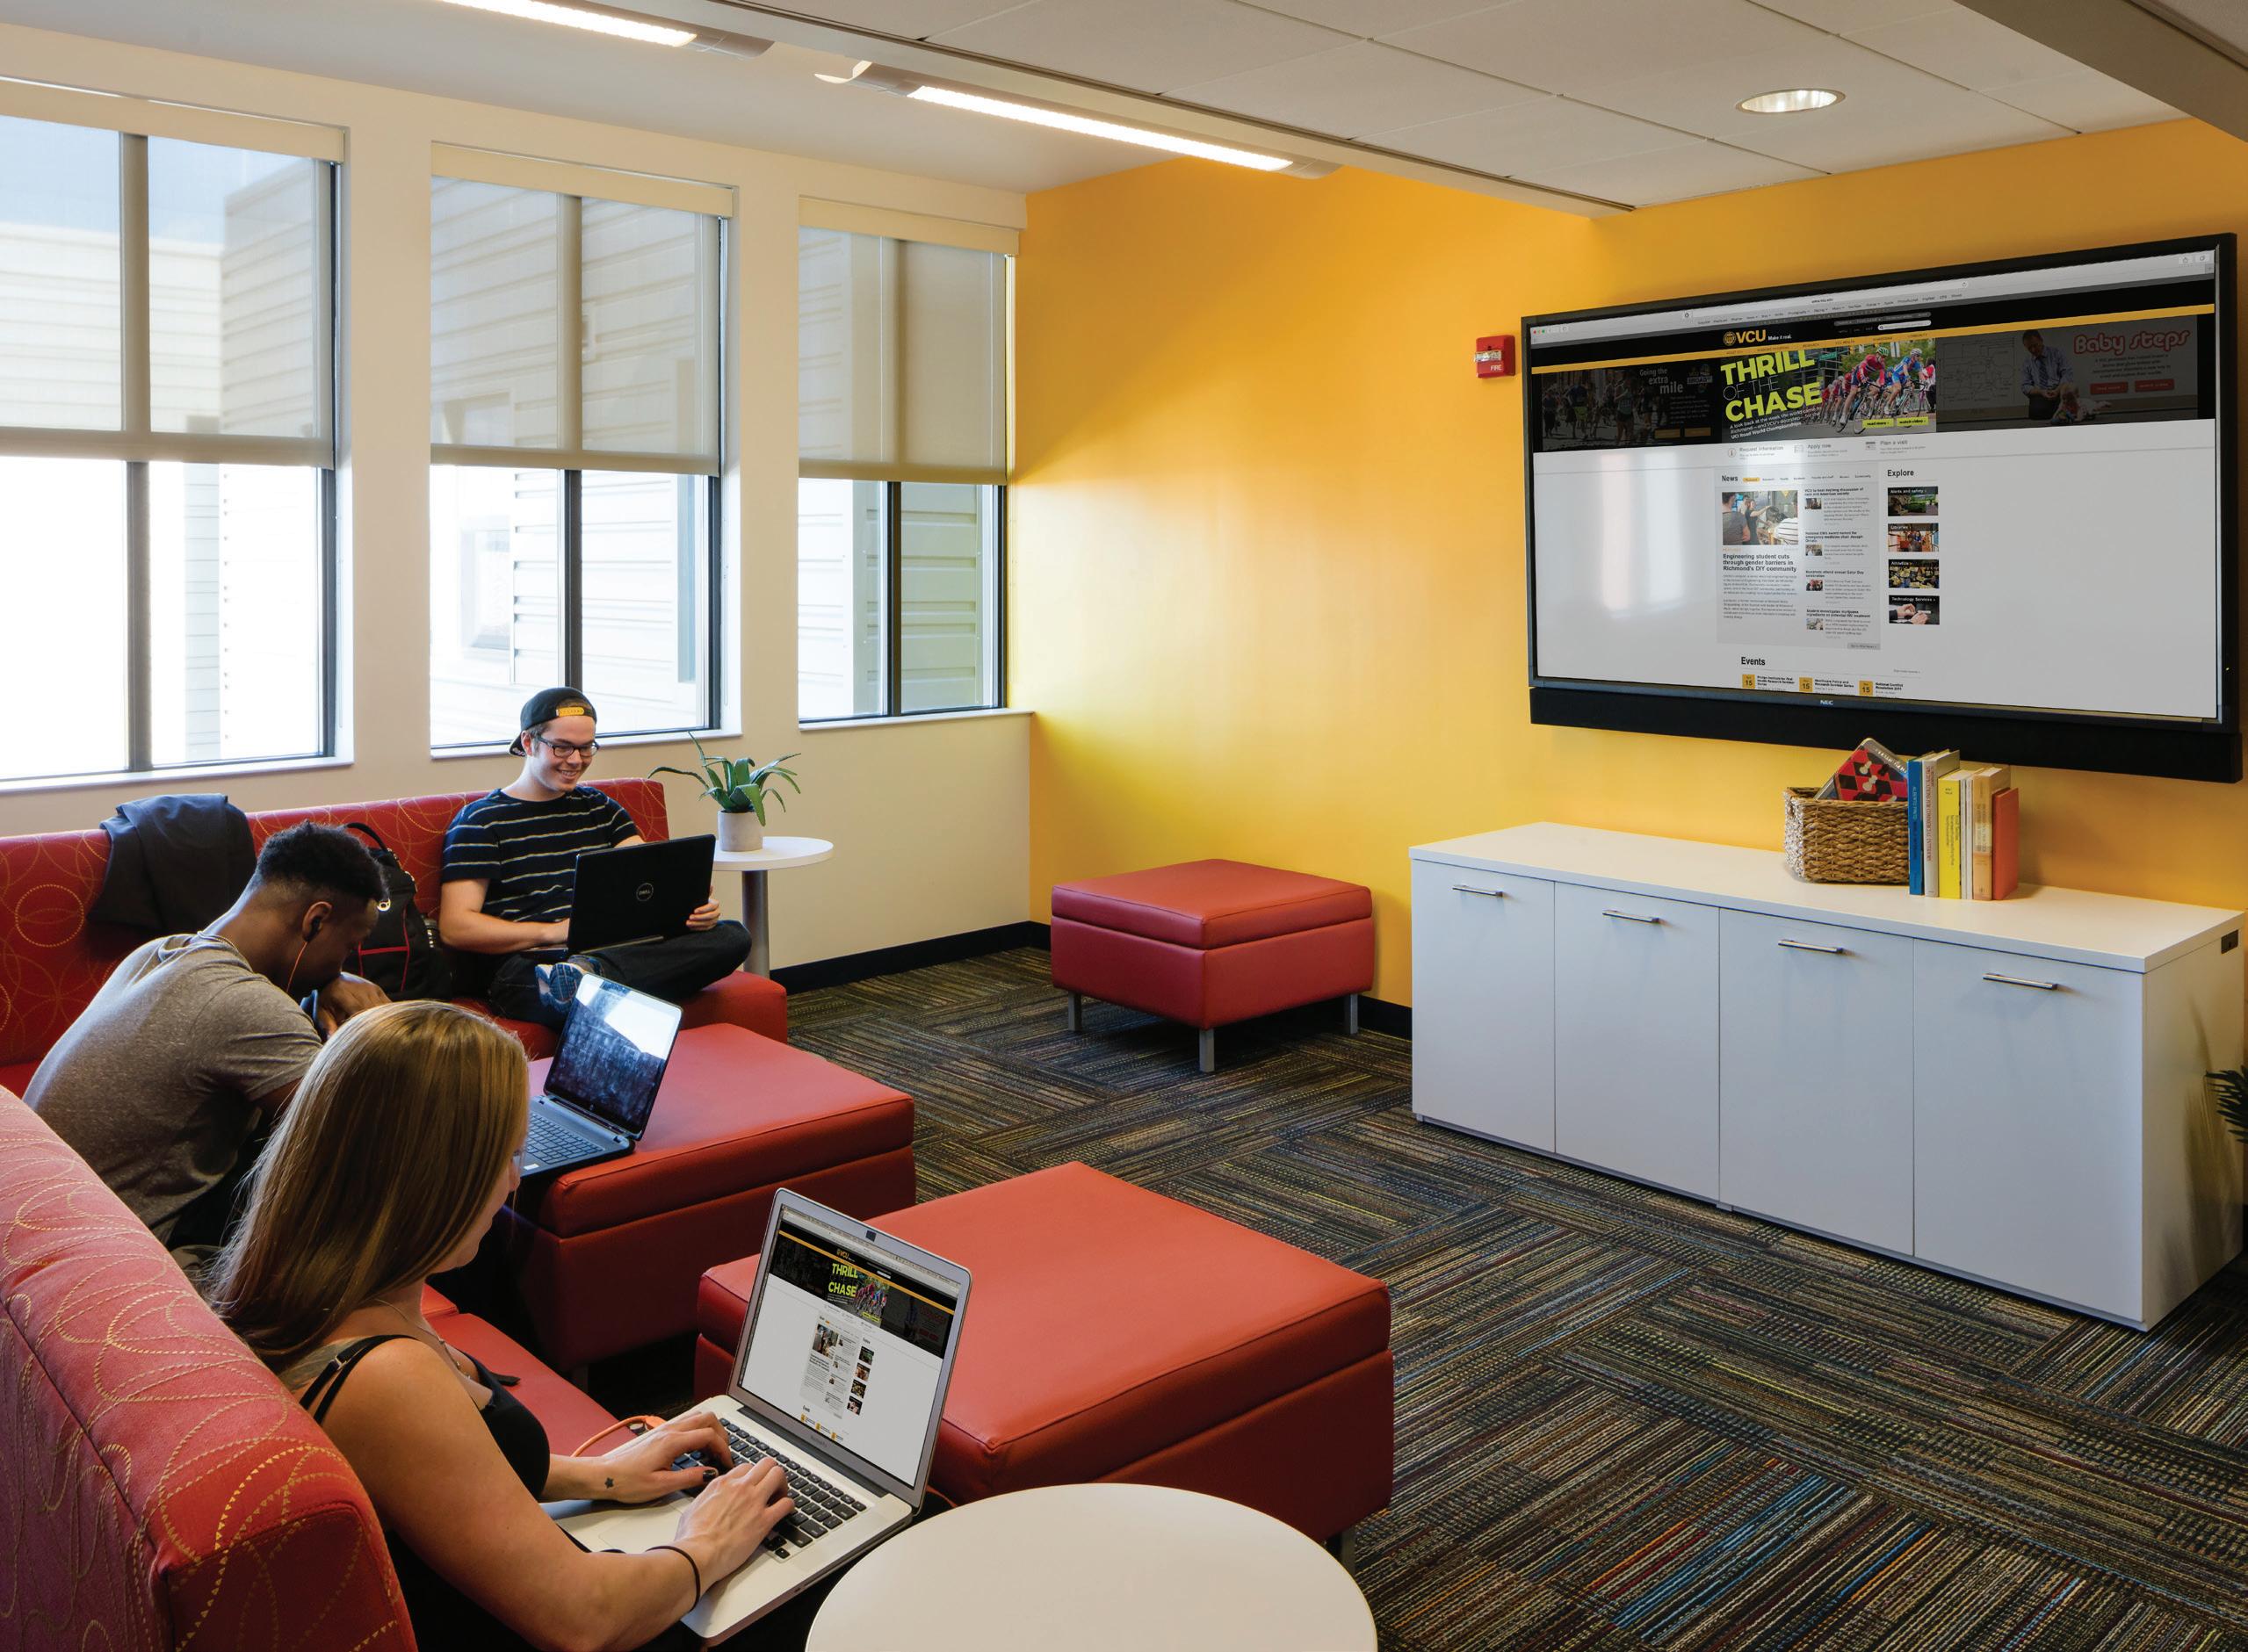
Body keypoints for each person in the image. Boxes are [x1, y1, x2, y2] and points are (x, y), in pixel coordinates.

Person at [206, 1002, 798, 1651]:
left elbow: (433, 1475)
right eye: (510, 1154)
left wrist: (600, 1474)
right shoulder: (383, 1376)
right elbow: (585, 1618)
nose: (516, 1179)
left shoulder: (329, 1291)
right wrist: (707, 1542)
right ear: (434, 1179)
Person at [27, 822, 389, 1280]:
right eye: (349, 947)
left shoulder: (158, 953)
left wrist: (323, 980)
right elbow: (372, 1142)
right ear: (315, 920)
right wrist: (374, 1035)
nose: (344, 966)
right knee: (386, 1181)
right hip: (111, 1270)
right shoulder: (249, 1006)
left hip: (34, 1235)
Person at [440, 689, 750, 1028]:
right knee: (545, 980)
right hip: (527, 964)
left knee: (732, 936)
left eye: (586, 747)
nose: (576, 760)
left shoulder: (600, 808)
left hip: (610, 949)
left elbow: (649, 876)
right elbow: (457, 927)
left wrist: (690, 908)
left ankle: (589, 977)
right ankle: (586, 982)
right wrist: (553, 932)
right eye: (562, 747)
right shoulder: (481, 820)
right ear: (528, 743)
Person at [2020, 328, 2073, 421]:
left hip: (2059, 391)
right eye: (2029, 348)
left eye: (2035, 345)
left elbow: (2067, 374)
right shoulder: (2027, 362)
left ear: (2041, 340)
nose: (2033, 350)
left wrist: (2057, 390)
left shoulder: (2057, 353)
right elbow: (2025, 385)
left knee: (2066, 405)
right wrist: (2041, 392)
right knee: (2035, 413)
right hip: (2040, 394)